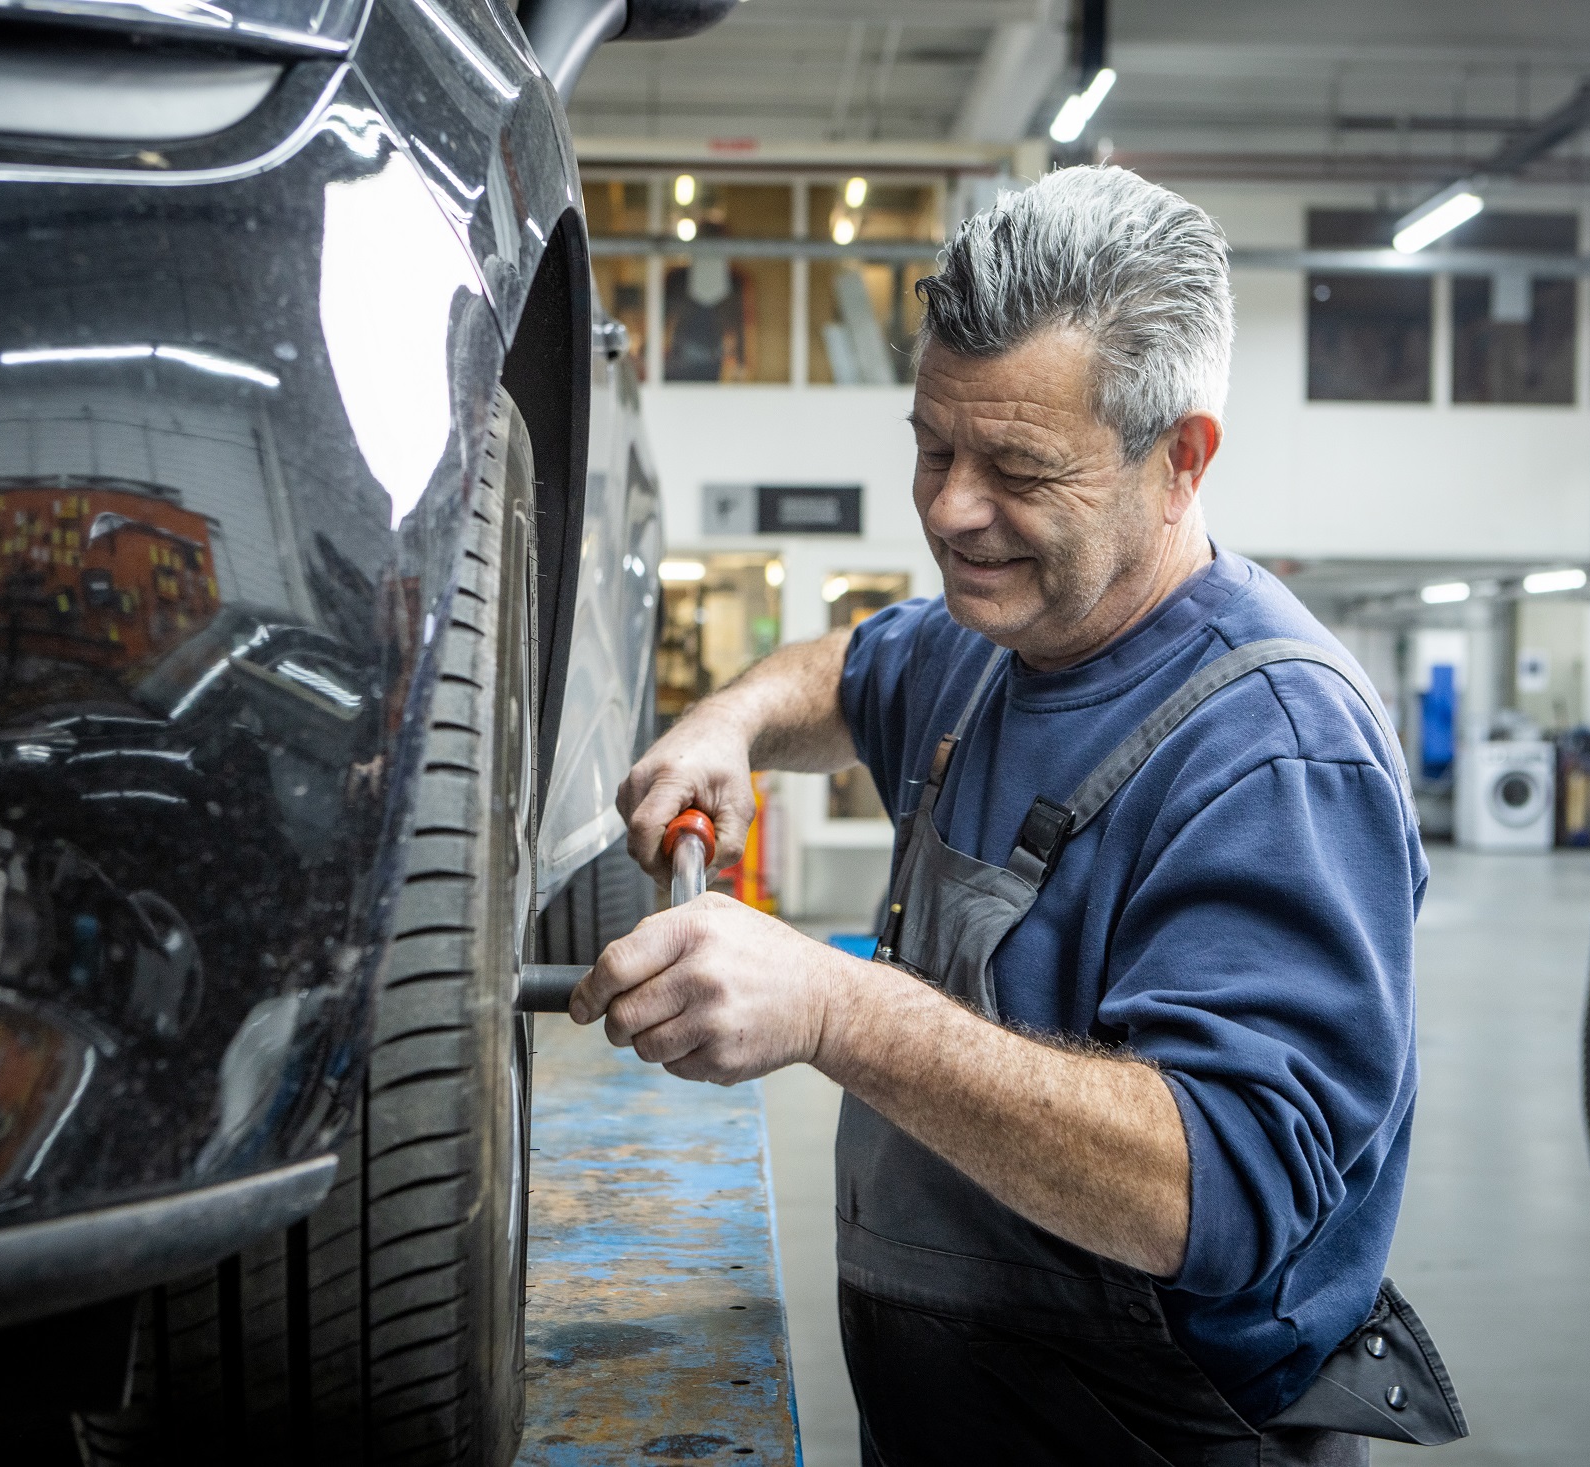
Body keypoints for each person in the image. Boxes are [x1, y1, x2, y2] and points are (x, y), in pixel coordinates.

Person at [570, 167, 1447, 1465]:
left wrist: (832, 1007)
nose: (949, 510)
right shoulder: (993, 637)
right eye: (934, 446)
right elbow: (854, 665)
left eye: (1019, 469)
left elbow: (1212, 1189)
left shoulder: (1273, 756)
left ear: (1180, 461)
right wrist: (731, 722)